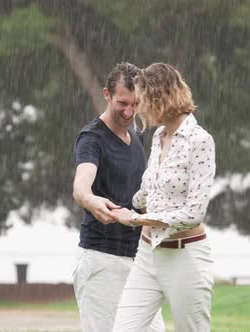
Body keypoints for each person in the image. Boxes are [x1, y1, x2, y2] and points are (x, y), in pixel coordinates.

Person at [112, 63, 216, 332]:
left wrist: (136, 219)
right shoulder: (158, 136)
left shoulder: (200, 141)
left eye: (142, 100)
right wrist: (112, 201)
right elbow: (149, 192)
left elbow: (194, 212)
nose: (137, 108)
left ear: (158, 97)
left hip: (186, 258)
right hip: (147, 255)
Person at [72, 62, 165, 332]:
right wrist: (91, 200)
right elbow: (81, 187)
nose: (129, 111)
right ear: (107, 94)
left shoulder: (137, 137)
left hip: (137, 261)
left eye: (135, 104)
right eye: (122, 103)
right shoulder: (92, 138)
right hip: (101, 261)